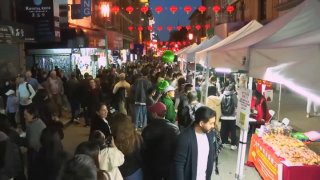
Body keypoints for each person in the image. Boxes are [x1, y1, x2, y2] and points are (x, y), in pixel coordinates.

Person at [174, 106, 217, 180]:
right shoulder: (185, 138)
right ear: (201, 123)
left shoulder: (210, 134)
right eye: (211, 123)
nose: (213, 126)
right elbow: (179, 165)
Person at [142, 102, 180, 180]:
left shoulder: (147, 130)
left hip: (152, 167)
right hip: (169, 167)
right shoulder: (175, 128)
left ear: (155, 114)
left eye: (152, 112)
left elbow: (143, 149)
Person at [110, 113, 144, 180]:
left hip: (119, 172)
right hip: (136, 171)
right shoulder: (137, 137)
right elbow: (141, 155)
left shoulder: (113, 140)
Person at [220, 84, 238, 150]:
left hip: (223, 116)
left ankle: (223, 142)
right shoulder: (234, 95)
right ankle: (233, 145)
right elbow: (236, 104)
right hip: (232, 117)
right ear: (233, 89)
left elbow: (220, 103)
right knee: (233, 130)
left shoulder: (222, 95)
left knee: (223, 129)